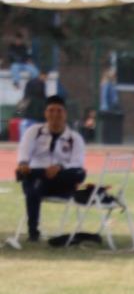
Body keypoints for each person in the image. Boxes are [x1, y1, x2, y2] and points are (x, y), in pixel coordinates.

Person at [14, 96, 86, 244]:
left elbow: (77, 162)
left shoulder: (75, 137)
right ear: (45, 113)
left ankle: (41, 175)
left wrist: (59, 167)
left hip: (61, 181)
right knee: (33, 179)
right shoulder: (34, 131)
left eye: (59, 111)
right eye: (51, 110)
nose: (55, 114)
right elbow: (24, 152)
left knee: (80, 173)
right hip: (37, 178)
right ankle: (33, 232)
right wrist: (23, 163)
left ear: (65, 113)